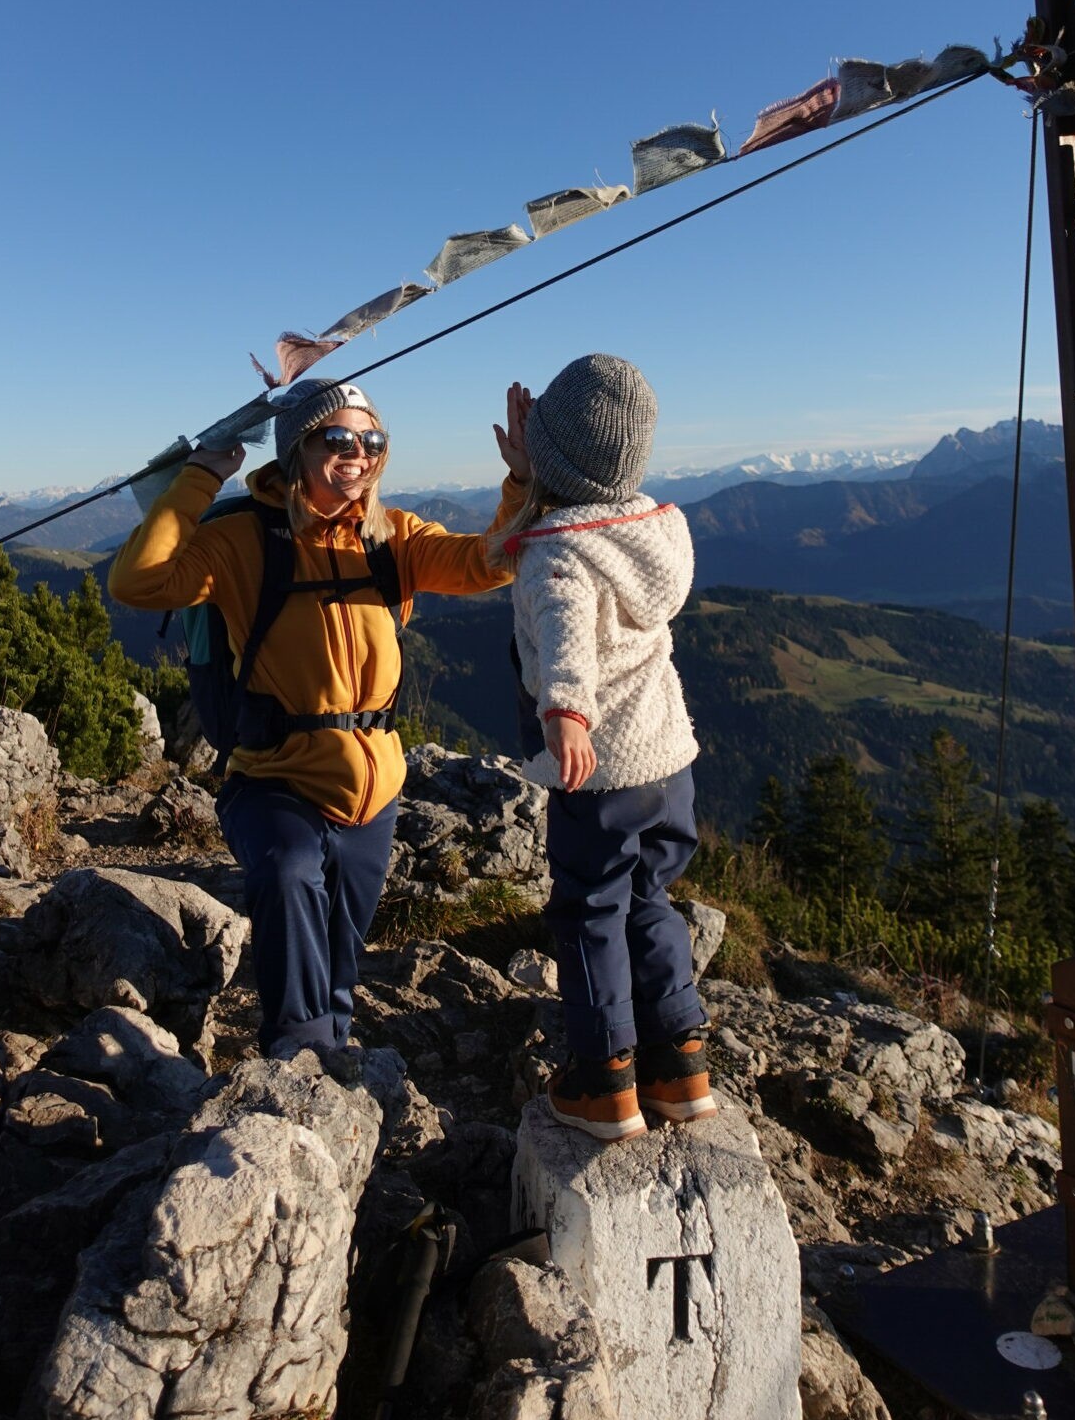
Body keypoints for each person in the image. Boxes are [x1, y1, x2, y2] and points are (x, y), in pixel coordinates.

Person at [109, 376, 531, 1057]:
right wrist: (199, 475)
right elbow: (139, 581)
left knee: (339, 944)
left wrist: (519, 482)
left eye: (372, 440)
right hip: (274, 774)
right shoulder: (243, 537)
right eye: (337, 438)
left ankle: (328, 1043)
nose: (357, 453)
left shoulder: (391, 536)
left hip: (375, 787)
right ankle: (297, 1057)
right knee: (288, 870)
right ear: (297, 449)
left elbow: (491, 561)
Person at [496, 352, 714, 1141]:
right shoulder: (653, 531)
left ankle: (604, 1082)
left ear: (554, 462)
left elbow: (562, 628)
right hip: (669, 761)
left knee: (589, 909)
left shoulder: (557, 549)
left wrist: (565, 712)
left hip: (603, 770)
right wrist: (538, 464)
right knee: (650, 901)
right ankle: (678, 1066)